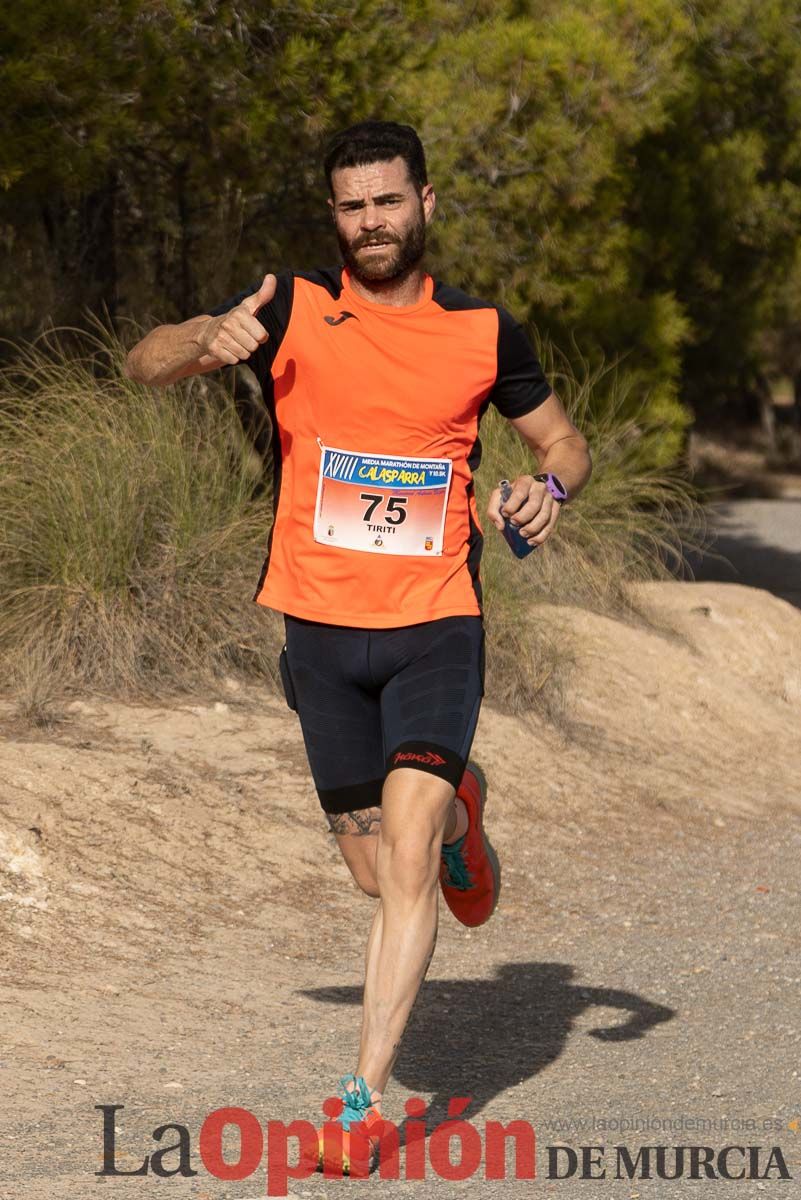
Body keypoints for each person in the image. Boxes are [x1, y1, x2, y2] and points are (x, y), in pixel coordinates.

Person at [125, 119, 592, 1174]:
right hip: (321, 632)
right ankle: (466, 818)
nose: (371, 222)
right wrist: (205, 338)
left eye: (388, 200)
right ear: (333, 216)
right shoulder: (285, 306)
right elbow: (141, 360)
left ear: (427, 203)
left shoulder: (485, 331)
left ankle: (362, 1099)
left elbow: (564, 439)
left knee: (411, 855)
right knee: (372, 875)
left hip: (436, 621)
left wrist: (548, 485)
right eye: (351, 206)